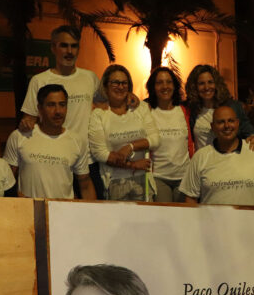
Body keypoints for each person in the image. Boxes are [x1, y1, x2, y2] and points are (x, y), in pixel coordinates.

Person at [18, 25, 108, 198]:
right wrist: (26, 123)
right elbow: (28, 120)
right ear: (53, 48)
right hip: (56, 161)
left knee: (93, 215)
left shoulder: (90, 78)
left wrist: (130, 98)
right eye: (64, 46)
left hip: (88, 161)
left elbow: (107, 104)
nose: (69, 51)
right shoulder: (39, 80)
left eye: (74, 46)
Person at [4, 84, 95, 199]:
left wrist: (93, 213)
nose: (58, 111)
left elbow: (85, 185)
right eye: (51, 105)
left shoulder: (77, 141)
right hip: (29, 212)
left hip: (63, 212)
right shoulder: (20, 136)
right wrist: (18, 198)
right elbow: (6, 179)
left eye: (62, 105)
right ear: (40, 108)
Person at [180, 106, 254, 206]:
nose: (227, 126)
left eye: (231, 121)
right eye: (221, 122)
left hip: (253, 221)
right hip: (213, 222)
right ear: (212, 126)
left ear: (238, 123)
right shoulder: (200, 157)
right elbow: (191, 198)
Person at [89, 65, 159, 201]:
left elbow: (155, 140)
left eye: (124, 83)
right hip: (114, 182)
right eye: (115, 82)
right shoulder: (98, 114)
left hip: (142, 180)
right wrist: (132, 165)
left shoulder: (141, 108)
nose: (120, 87)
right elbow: (100, 153)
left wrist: (130, 147)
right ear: (105, 86)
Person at [184, 64, 254, 150]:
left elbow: (248, 130)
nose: (206, 87)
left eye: (210, 82)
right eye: (201, 83)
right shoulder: (192, 110)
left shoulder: (232, 107)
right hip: (203, 161)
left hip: (227, 161)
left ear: (216, 84)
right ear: (195, 87)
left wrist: (253, 138)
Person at [146, 66, 193, 203]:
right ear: (153, 87)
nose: (164, 86)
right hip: (159, 176)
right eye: (159, 82)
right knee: (164, 220)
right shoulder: (147, 111)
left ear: (175, 85)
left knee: (184, 221)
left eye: (168, 82)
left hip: (184, 177)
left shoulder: (185, 110)